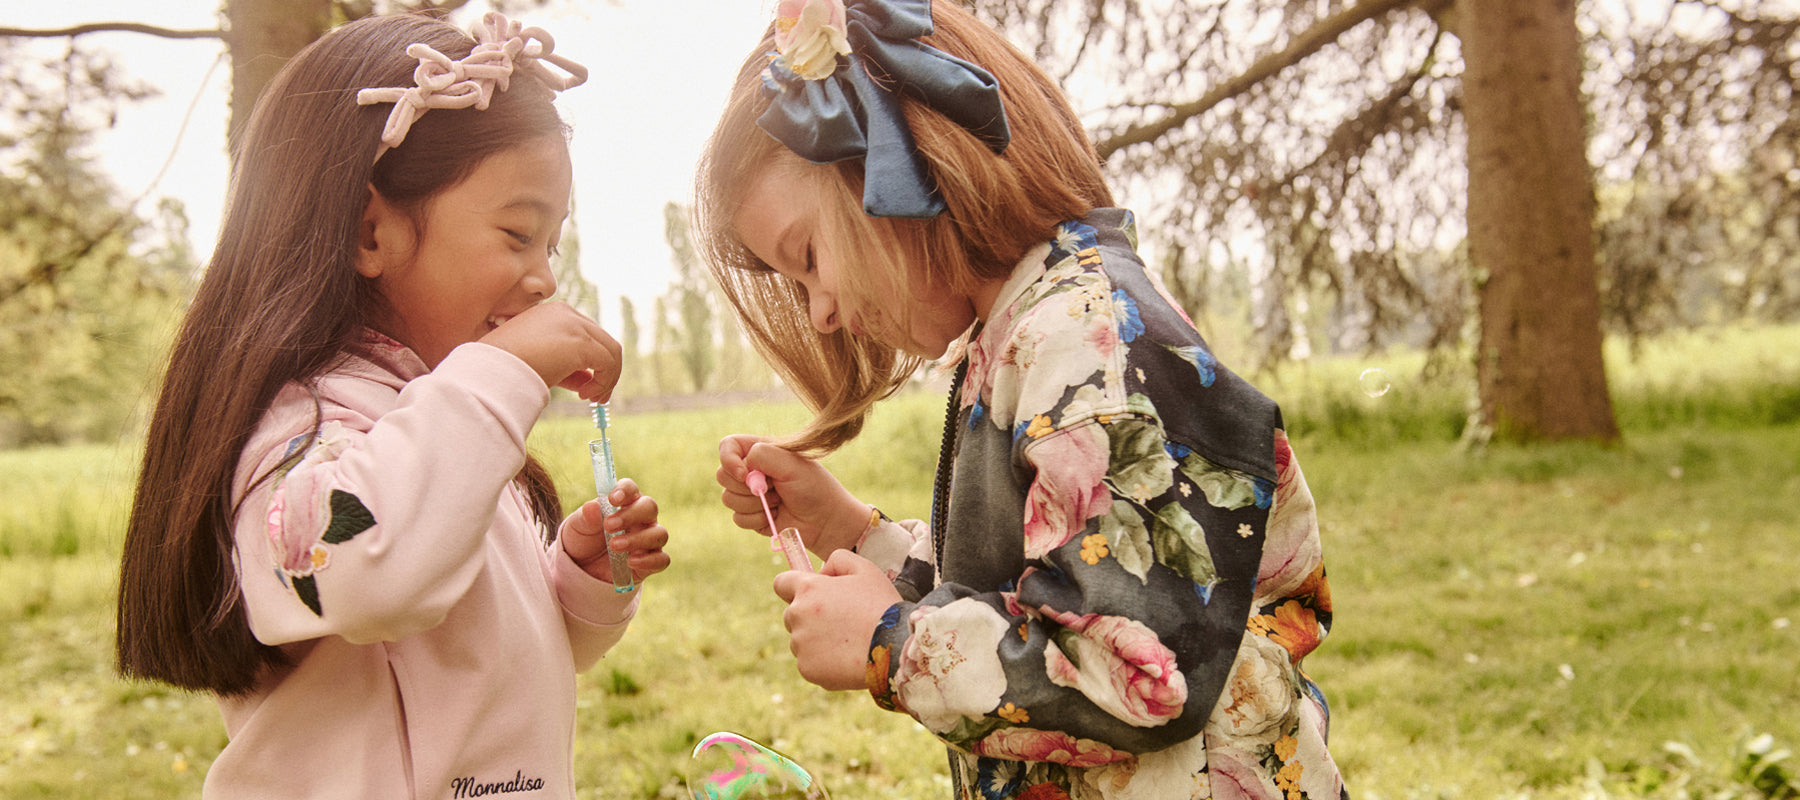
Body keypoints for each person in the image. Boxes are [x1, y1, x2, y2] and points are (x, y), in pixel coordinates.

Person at [699, 1, 1346, 797]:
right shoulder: (1024, 334)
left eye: (807, 258)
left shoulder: (1088, 344)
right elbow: (1040, 584)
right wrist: (850, 534)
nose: (823, 311)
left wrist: (893, 643)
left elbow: (1134, 672)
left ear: (903, 164)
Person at [114, 12, 669, 799]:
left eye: (552, 245)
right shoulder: (300, 428)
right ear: (370, 229)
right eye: (517, 234)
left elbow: (491, 660)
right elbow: (368, 576)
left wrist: (575, 581)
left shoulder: (444, 421)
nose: (545, 278)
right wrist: (499, 371)